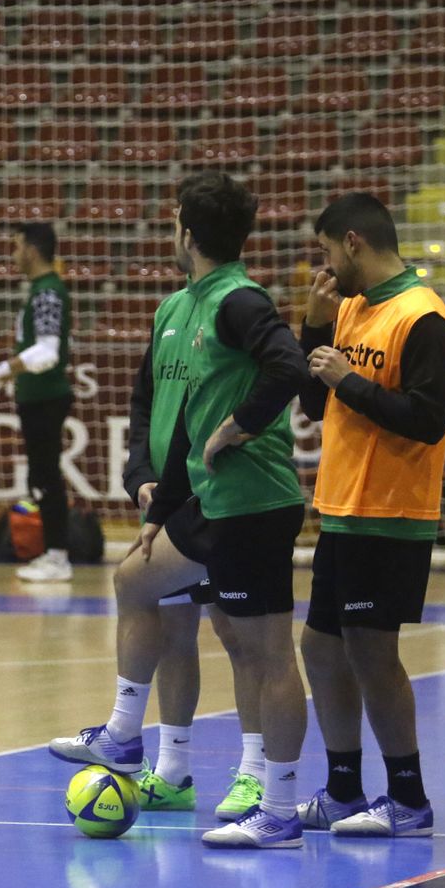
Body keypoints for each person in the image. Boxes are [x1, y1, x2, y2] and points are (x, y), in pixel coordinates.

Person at [48, 170, 310, 849]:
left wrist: (240, 426)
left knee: (263, 649)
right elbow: (177, 417)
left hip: (249, 499)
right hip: (202, 500)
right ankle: (134, 742)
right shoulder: (181, 307)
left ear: (183, 231)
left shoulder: (237, 300)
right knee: (139, 581)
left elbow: (290, 368)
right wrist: (158, 503)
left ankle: (272, 801)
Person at [295, 193, 445, 838]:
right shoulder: (352, 309)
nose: (327, 266)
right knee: (322, 648)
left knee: (372, 653)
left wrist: (349, 382)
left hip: (391, 512)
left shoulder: (424, 318)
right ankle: (341, 790)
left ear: (355, 242)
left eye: (329, 251)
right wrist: (312, 326)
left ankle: (409, 798)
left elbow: (426, 420)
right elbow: (314, 403)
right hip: (342, 509)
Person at [125, 288, 264, 822]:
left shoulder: (235, 309)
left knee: (238, 634)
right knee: (171, 628)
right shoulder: (168, 311)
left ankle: (254, 776)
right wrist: (140, 477)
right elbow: (146, 404)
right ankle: (174, 771)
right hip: (168, 501)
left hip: (223, 496)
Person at [0, 223, 74, 582]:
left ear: (31, 249)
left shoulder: (47, 292)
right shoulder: (40, 291)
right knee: (40, 475)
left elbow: (47, 353)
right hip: (36, 397)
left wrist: (0, 370)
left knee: (46, 476)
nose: (13, 256)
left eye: (16, 247)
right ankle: (53, 553)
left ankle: (57, 556)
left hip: (45, 396)